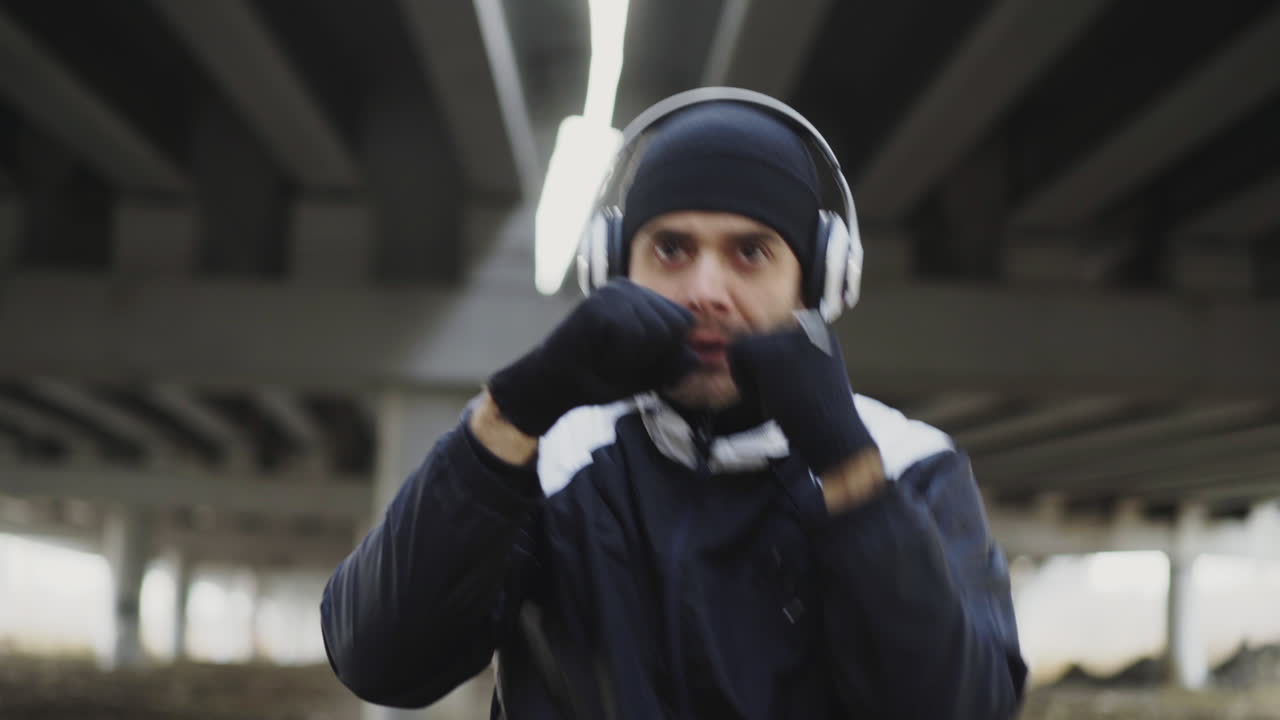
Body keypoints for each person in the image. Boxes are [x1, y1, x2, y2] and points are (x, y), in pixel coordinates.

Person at [321, 88, 1027, 719]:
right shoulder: (556, 459)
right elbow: (380, 660)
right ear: (614, 269)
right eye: (671, 250)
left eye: (750, 253)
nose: (705, 291)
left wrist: (849, 473)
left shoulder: (907, 464)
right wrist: (513, 413)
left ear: (818, 280)